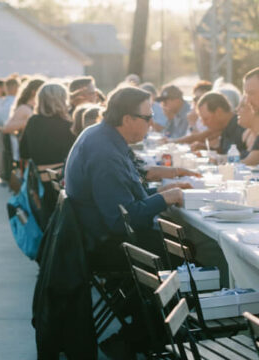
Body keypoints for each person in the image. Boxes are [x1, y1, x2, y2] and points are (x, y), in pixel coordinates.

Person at [64, 85, 184, 254]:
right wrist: (165, 198)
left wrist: (160, 191)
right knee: (192, 247)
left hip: (99, 234)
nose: (151, 123)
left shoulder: (101, 135)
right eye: (148, 117)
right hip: (111, 245)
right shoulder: (105, 154)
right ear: (128, 119)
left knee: (184, 239)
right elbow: (122, 220)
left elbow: (122, 195)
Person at [19, 81, 76, 169]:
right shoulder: (68, 125)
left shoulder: (32, 121)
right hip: (61, 178)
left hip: (38, 178)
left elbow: (24, 153)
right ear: (63, 100)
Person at [194, 91, 245, 156]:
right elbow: (225, 152)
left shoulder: (241, 126)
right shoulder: (225, 128)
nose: (204, 124)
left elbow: (242, 158)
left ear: (219, 112)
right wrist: (207, 149)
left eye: (206, 119)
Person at [236, 95, 259, 166]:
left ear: (254, 109)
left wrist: (221, 162)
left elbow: (247, 163)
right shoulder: (247, 135)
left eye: (242, 106)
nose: (237, 109)